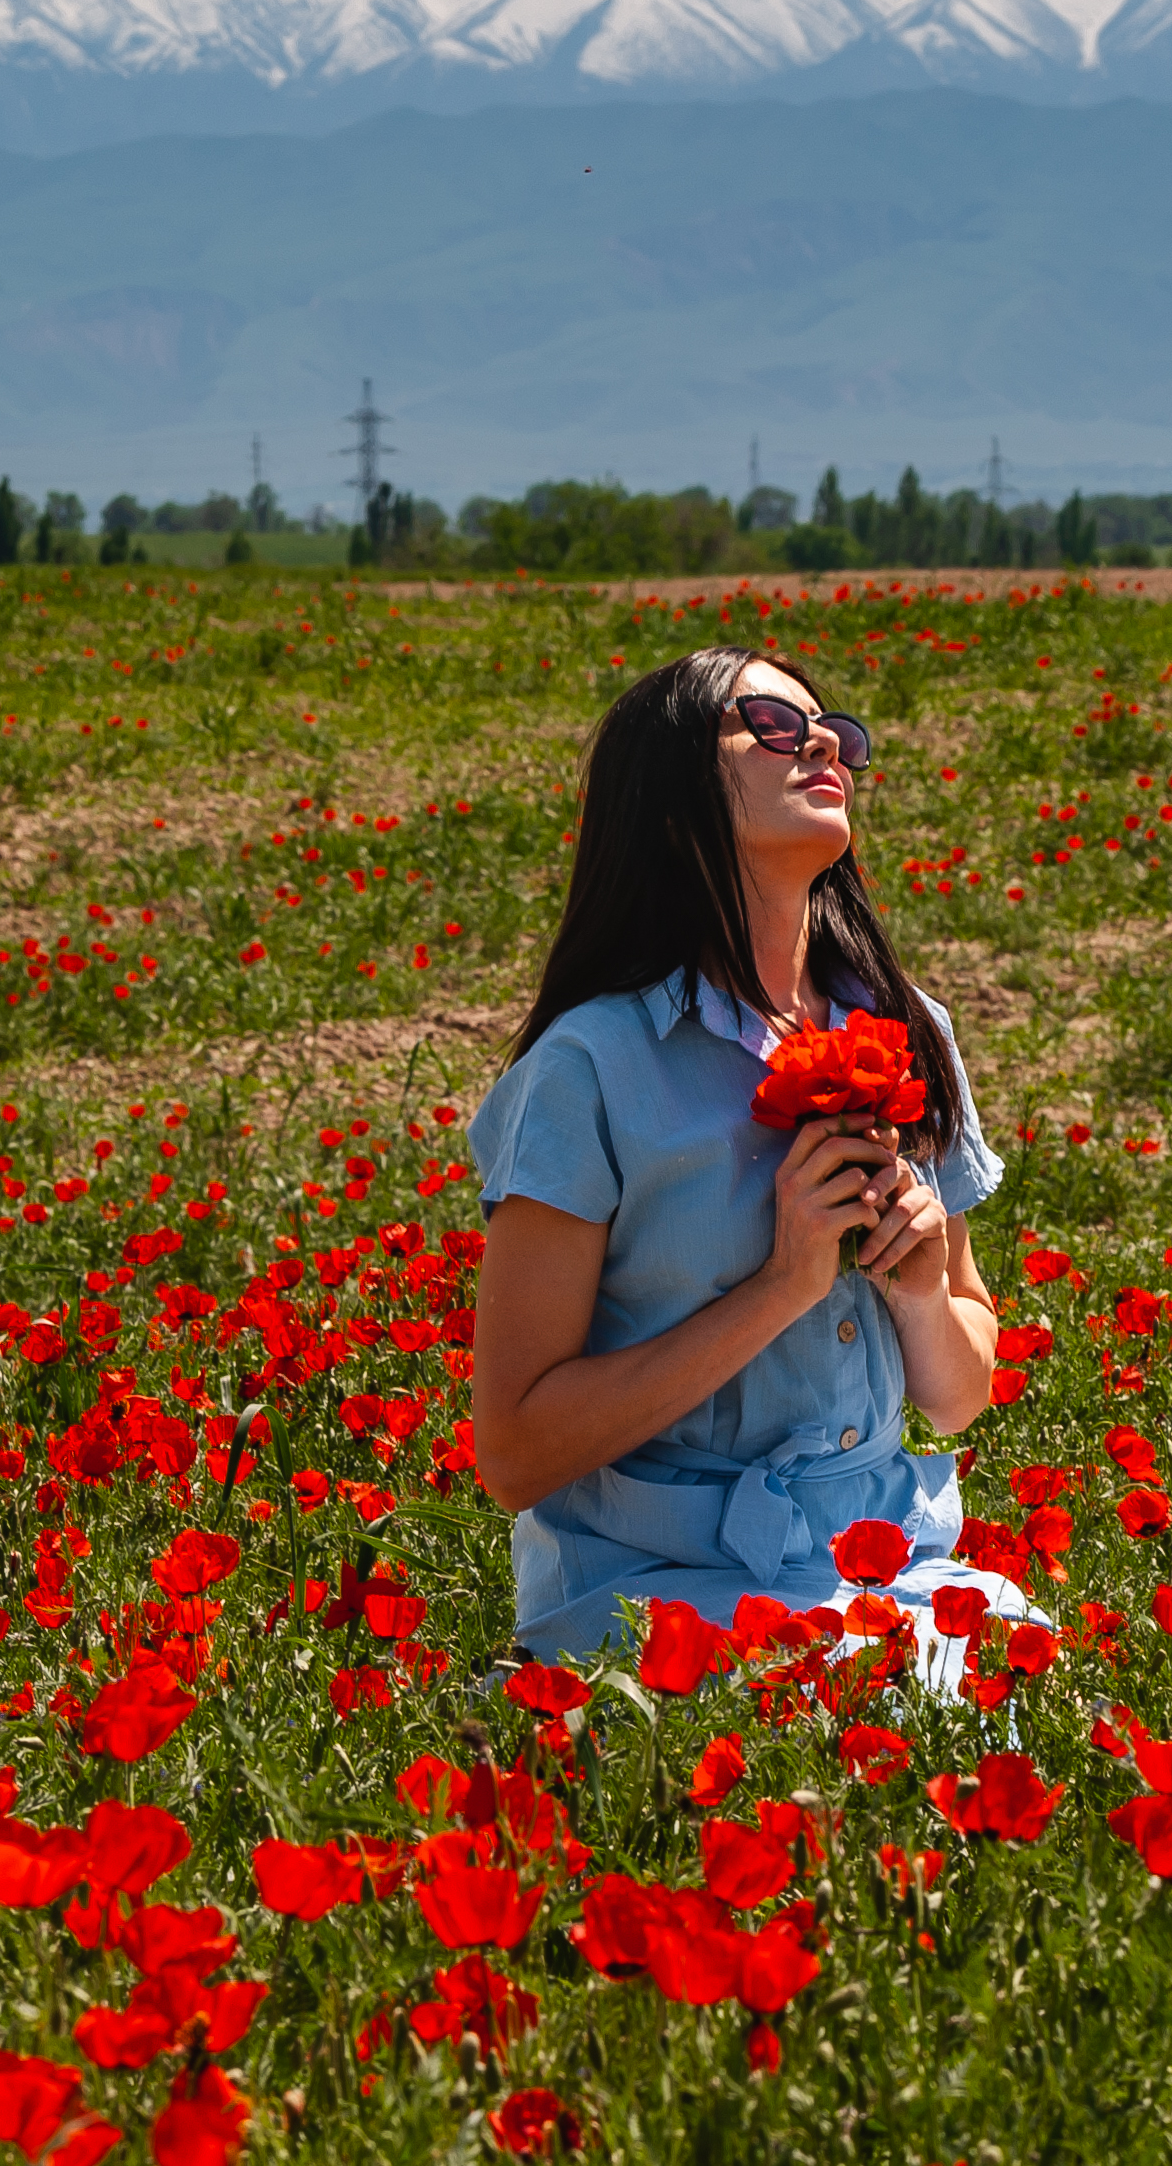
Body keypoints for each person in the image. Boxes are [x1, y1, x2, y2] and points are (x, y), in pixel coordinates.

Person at [466, 646, 1029, 1666]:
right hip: (659, 1590)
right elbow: (512, 1452)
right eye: (768, 724)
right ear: (672, 802)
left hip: (890, 1567)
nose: (822, 741)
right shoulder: (591, 1067)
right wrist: (780, 1284)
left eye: (832, 728)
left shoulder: (909, 1027)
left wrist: (915, 1289)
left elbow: (960, 1392)